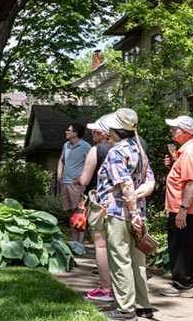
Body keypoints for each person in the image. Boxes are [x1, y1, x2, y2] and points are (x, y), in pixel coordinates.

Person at [97, 108, 155, 321]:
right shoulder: (139, 148)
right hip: (137, 212)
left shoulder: (116, 151)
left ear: (116, 129)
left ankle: (125, 310)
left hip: (119, 213)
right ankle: (143, 306)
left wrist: (132, 210)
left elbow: (126, 185)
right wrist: (137, 207)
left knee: (120, 259)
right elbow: (150, 182)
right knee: (138, 260)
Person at [160, 115, 193, 298]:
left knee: (180, 247)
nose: (172, 131)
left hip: (183, 208)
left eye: (175, 128)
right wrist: (172, 166)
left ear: (186, 132)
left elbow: (191, 183)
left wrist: (183, 210)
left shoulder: (189, 152)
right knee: (191, 246)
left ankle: (181, 285)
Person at [78, 114, 115, 302]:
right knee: (121, 246)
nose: (93, 133)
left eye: (96, 131)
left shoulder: (97, 150)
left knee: (101, 245)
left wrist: (79, 181)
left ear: (103, 133)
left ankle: (106, 288)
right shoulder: (133, 147)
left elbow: (85, 179)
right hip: (124, 202)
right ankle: (125, 289)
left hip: (99, 201)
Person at [57, 121, 92, 255]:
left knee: (80, 214)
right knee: (71, 214)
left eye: (69, 130)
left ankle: (80, 244)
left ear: (76, 133)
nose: (66, 132)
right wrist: (59, 172)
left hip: (77, 186)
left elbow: (91, 164)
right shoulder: (66, 146)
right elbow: (61, 160)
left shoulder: (86, 147)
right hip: (65, 183)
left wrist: (83, 177)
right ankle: (74, 241)